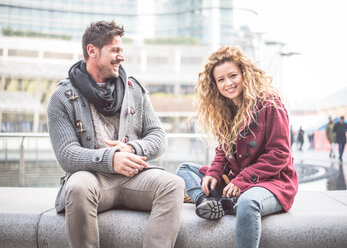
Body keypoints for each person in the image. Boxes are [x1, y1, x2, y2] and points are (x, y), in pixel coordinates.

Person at [47, 21, 185, 248]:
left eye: (122, 50)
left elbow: (158, 137)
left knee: (174, 185)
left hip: (133, 175)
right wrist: (110, 159)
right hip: (92, 178)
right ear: (92, 51)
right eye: (115, 50)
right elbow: (66, 154)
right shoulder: (61, 97)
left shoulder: (134, 89)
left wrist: (131, 149)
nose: (121, 57)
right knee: (77, 187)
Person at [176, 46, 298, 248]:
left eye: (233, 75)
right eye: (221, 80)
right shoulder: (225, 109)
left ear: (245, 74)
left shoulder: (270, 104)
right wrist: (214, 174)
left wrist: (242, 181)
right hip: (236, 181)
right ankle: (206, 203)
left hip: (272, 183)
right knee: (185, 170)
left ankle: (227, 202)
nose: (228, 83)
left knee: (247, 203)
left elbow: (279, 154)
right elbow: (223, 152)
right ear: (215, 85)